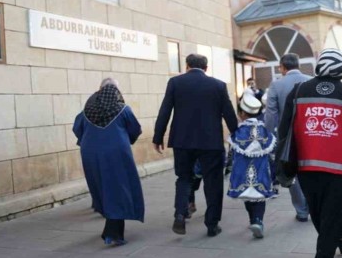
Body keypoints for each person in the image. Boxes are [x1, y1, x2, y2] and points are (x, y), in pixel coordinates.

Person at [278, 48, 342, 258]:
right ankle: (328, 252)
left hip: (306, 164)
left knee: (317, 211)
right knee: (332, 213)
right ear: (341, 68)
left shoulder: (299, 90)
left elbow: (284, 127)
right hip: (341, 167)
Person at [153, 54, 239, 237]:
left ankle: (180, 214)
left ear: (187, 66)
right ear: (206, 68)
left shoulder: (175, 83)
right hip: (211, 142)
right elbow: (229, 113)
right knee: (213, 182)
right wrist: (237, 135)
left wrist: (158, 136)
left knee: (183, 178)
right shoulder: (218, 85)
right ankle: (212, 224)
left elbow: (165, 110)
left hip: (182, 141)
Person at [73, 79, 144, 246]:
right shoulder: (123, 109)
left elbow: (77, 129)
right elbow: (135, 129)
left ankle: (112, 227)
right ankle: (113, 232)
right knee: (119, 187)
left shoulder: (87, 111)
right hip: (117, 153)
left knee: (101, 186)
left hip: (90, 153)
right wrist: (127, 139)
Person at [264, 53, 312, 222]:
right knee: (310, 168)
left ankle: (301, 210)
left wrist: (269, 135)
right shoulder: (311, 81)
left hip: (287, 135)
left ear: (282, 67)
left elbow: (271, 114)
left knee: (291, 170)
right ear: (298, 65)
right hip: (311, 132)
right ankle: (312, 205)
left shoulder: (276, 85)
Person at [227, 94, 277, 239]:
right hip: (261, 170)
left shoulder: (238, 132)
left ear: (242, 113)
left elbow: (232, 152)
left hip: (242, 172)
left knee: (247, 195)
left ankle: (253, 219)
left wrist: (228, 167)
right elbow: (272, 151)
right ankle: (258, 220)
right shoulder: (265, 130)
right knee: (259, 196)